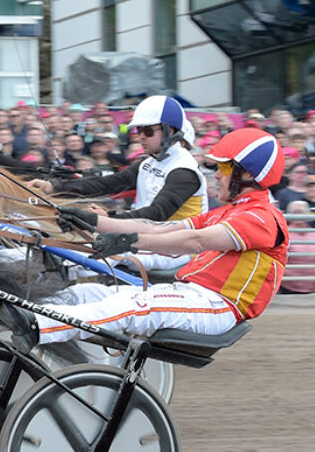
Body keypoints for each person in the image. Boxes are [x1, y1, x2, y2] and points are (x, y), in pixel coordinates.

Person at [27, 128, 288, 344]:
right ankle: (2, 315)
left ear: (248, 175)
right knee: (89, 293)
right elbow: (157, 228)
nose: (217, 175)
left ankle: (36, 326)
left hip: (217, 306)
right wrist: (96, 222)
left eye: (224, 168)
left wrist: (127, 242)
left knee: (131, 305)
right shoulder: (227, 213)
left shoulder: (263, 218)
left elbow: (195, 242)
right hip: (189, 293)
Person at [27, 95, 207, 221]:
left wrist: (109, 218)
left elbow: (157, 213)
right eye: (138, 130)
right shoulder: (148, 162)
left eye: (148, 131)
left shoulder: (184, 171)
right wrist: (54, 187)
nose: (140, 136)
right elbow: (107, 183)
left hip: (177, 250)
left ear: (171, 131)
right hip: (149, 239)